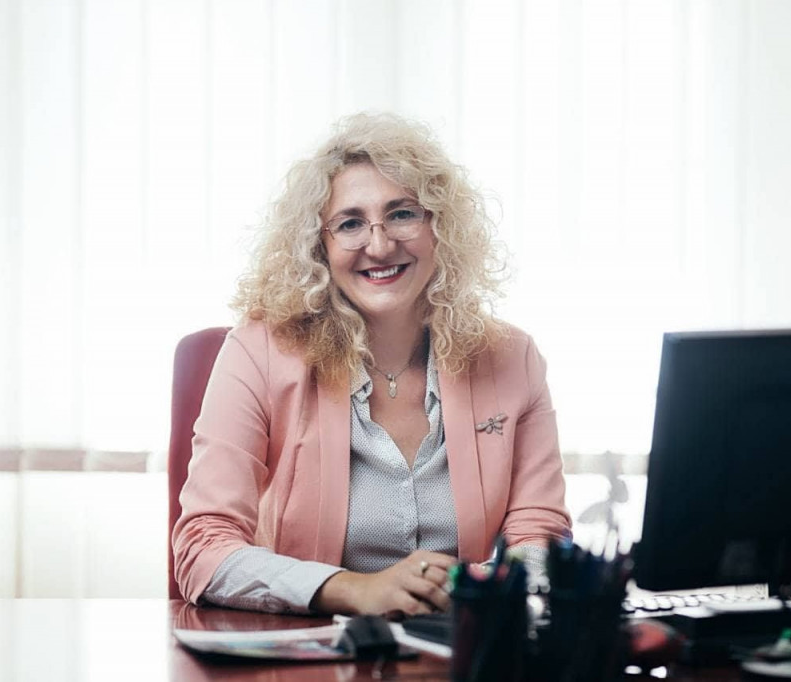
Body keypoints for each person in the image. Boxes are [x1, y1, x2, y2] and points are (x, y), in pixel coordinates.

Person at [172, 113, 572, 616]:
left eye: (403, 214)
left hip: (457, 644)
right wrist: (355, 590)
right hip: (317, 641)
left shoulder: (513, 357)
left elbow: (539, 531)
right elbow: (203, 547)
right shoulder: (258, 352)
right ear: (319, 246)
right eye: (350, 224)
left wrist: (492, 589)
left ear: (440, 227)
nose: (380, 246)